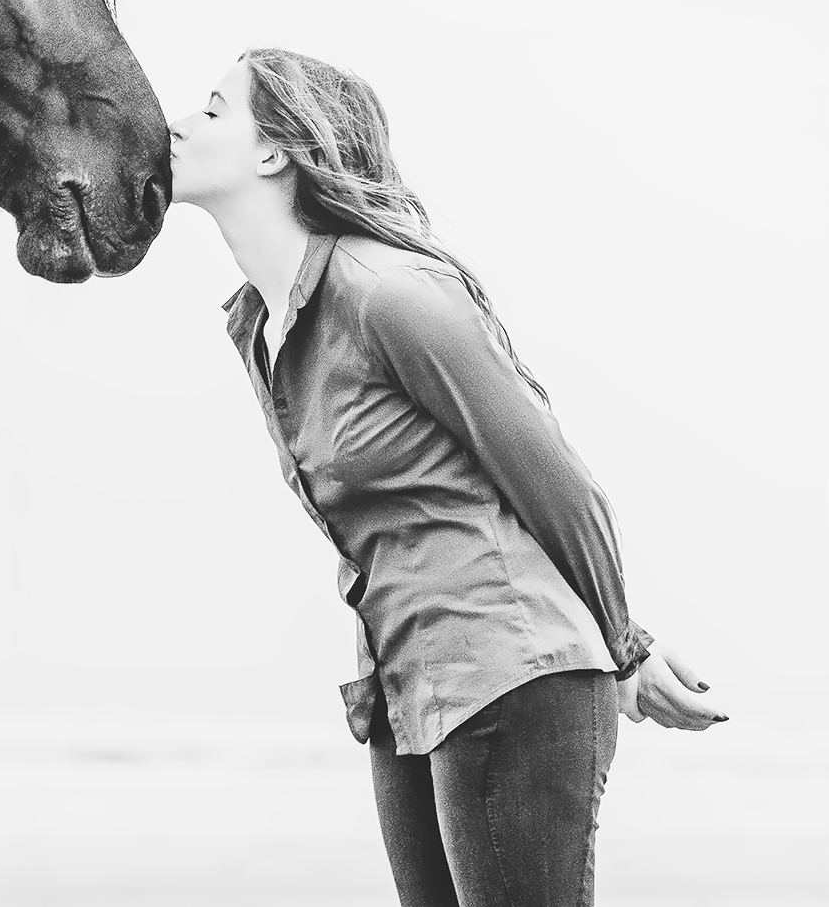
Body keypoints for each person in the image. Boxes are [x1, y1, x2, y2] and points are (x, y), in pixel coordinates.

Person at [168, 47, 725, 907]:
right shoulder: (259, 325)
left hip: (512, 675)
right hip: (405, 686)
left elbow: (559, 486)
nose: (179, 124)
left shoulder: (388, 293)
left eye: (212, 109)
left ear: (275, 150)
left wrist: (628, 646)